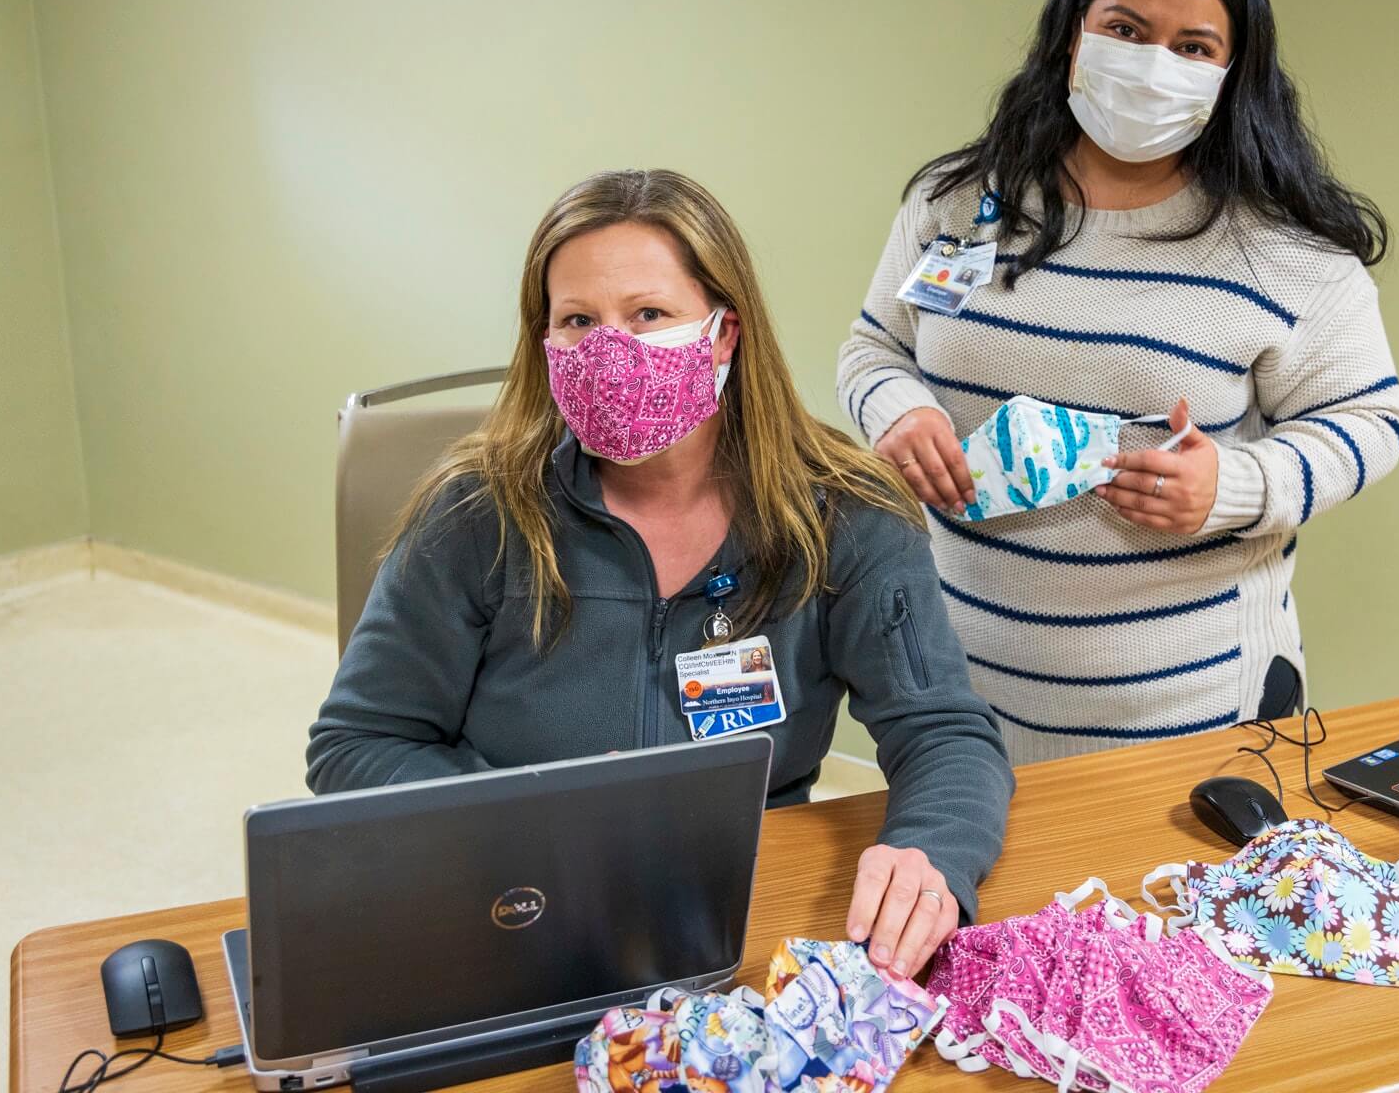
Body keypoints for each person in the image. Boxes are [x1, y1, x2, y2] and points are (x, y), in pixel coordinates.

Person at [310, 169, 1013, 977]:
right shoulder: (477, 513)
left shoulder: (844, 514)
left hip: (735, 900)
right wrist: (532, 812)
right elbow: (355, 746)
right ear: (544, 344)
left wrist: (930, 852)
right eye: (577, 320)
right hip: (511, 895)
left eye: (649, 314)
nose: (611, 349)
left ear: (722, 333)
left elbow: (944, 732)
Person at [837, 0, 1399, 764]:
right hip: (964, 707)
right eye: (1126, 28)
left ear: (1233, 71)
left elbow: (1372, 424)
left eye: (1192, 47)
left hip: (1194, 716)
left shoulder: (1284, 255)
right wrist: (898, 411)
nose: (1152, 66)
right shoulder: (958, 203)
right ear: (1075, 34)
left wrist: (1235, 487)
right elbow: (874, 345)